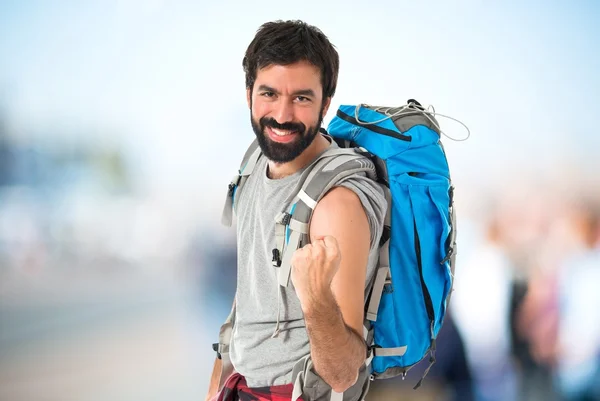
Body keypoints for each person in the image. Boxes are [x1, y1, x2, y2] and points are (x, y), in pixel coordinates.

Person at [205, 20, 387, 401]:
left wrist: (316, 296)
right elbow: (249, 301)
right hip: (240, 389)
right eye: (269, 93)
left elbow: (342, 373)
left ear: (325, 102)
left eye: (302, 98)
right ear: (249, 93)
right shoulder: (254, 163)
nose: (282, 115)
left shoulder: (336, 203)